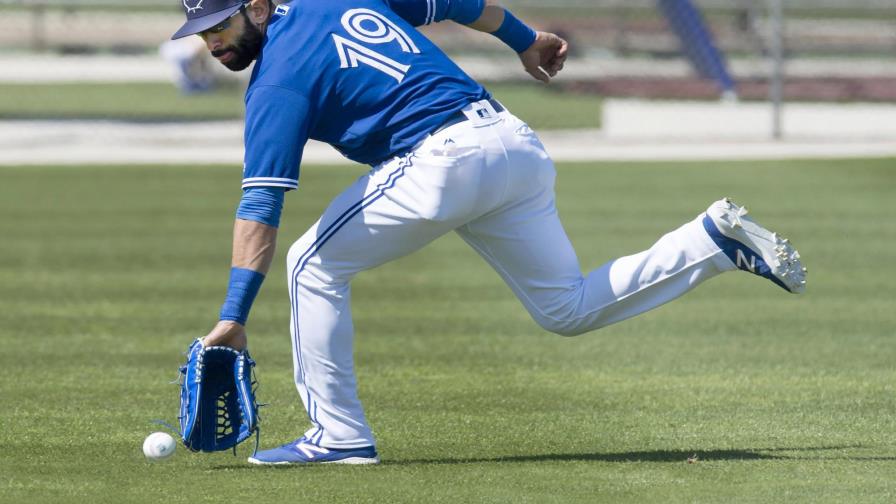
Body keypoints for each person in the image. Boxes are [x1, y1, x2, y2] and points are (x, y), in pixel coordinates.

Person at [170, 0, 806, 465]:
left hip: (441, 160)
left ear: (257, 7)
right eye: (203, 31)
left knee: (311, 264)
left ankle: (338, 437)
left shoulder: (276, 82)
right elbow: (454, 2)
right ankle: (710, 242)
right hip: (512, 142)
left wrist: (233, 316)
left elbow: (261, 204)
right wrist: (526, 39)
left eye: (222, 24)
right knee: (566, 308)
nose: (214, 42)